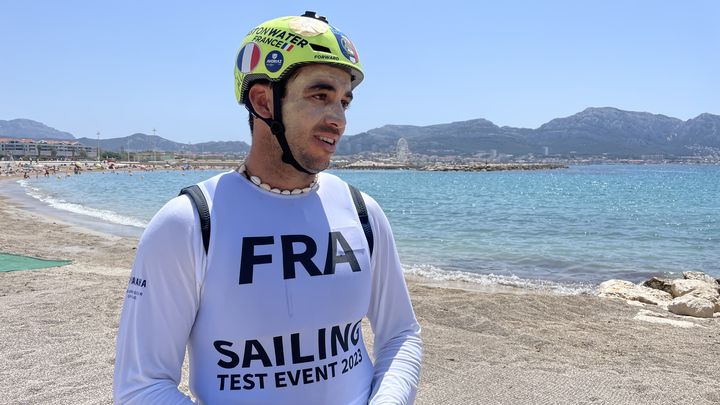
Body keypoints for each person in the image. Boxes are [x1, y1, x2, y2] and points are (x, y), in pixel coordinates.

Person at [113, 11, 422, 404]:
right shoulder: (188, 223)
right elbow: (140, 386)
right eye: (320, 96)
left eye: (344, 102)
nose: (339, 120)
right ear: (263, 101)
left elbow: (400, 335)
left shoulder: (363, 212)